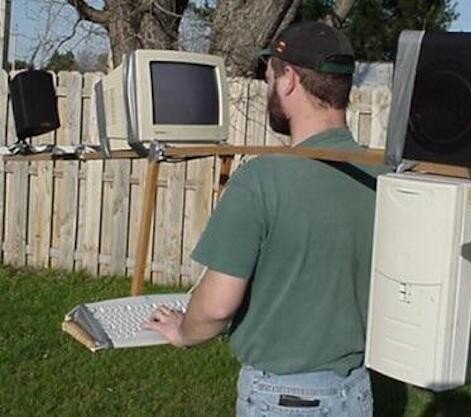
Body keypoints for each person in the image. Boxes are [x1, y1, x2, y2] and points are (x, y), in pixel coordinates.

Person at [143, 21, 388, 417]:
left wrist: (184, 331)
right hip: (356, 392)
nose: (267, 85)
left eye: (270, 75)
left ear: (289, 79)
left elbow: (216, 307)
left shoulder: (261, 179)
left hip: (283, 399)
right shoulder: (382, 176)